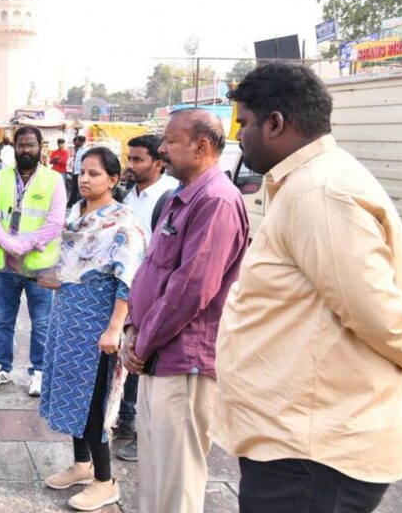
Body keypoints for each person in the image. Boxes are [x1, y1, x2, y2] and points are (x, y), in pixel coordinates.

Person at [214, 62, 402, 513]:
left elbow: (375, 311)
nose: (239, 136)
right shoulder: (307, 185)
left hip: (314, 456)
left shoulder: (320, 192)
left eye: (245, 123)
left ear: (275, 123)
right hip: (297, 443)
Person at [122, 108, 248, 513]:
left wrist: (142, 341)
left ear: (202, 146)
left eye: (171, 142)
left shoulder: (216, 201)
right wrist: (130, 326)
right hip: (155, 355)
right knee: (156, 475)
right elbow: (150, 270)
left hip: (182, 361)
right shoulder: (181, 195)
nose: (162, 149)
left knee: (179, 484)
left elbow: (191, 289)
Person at [39, 147, 146, 511]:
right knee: (71, 392)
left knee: (94, 402)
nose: (85, 179)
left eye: (95, 174)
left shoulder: (121, 223)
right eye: (82, 172)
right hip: (67, 319)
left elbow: (126, 281)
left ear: (114, 180)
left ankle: (105, 480)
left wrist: (115, 328)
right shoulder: (78, 216)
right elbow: (70, 267)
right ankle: (82, 465)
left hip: (97, 325)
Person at [0, 125, 67, 395]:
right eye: (21, 145)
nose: (26, 150)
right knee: (3, 319)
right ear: (13, 148)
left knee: (41, 322)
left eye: (31, 145)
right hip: (6, 265)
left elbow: (55, 222)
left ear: (41, 147)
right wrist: (9, 245)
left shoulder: (54, 181)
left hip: (40, 266)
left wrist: (23, 245)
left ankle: (39, 372)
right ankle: (1, 368)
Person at [113, 133, 179, 463]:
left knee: (144, 365)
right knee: (127, 361)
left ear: (158, 162)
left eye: (138, 159)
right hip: (129, 292)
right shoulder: (129, 197)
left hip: (152, 295)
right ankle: (125, 422)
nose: (131, 165)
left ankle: (141, 432)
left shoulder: (167, 198)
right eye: (130, 158)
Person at [68, 135, 88, 208]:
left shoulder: (86, 150)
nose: (75, 143)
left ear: (80, 141)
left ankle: (80, 204)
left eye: (76, 141)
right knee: (74, 188)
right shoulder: (78, 149)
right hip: (75, 172)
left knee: (80, 189)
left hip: (80, 172)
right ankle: (71, 203)